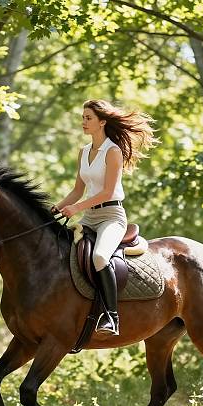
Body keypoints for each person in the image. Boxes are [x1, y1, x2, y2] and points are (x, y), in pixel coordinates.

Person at [53, 99, 157, 336]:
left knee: (100, 257)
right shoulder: (83, 152)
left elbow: (107, 192)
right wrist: (58, 207)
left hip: (112, 216)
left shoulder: (113, 151)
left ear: (102, 122)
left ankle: (112, 316)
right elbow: (77, 190)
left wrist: (76, 208)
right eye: (82, 117)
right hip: (90, 217)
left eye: (88, 118)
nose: (83, 122)